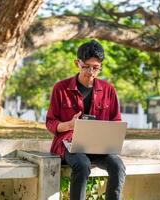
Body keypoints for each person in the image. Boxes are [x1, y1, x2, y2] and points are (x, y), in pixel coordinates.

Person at [46, 40, 126, 200]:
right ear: (77, 63)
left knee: (118, 166)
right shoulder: (60, 88)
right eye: (86, 66)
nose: (91, 72)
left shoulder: (108, 90)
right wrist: (69, 125)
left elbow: (116, 120)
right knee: (82, 165)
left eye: (96, 68)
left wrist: (111, 135)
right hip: (69, 144)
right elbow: (50, 122)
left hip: (99, 146)